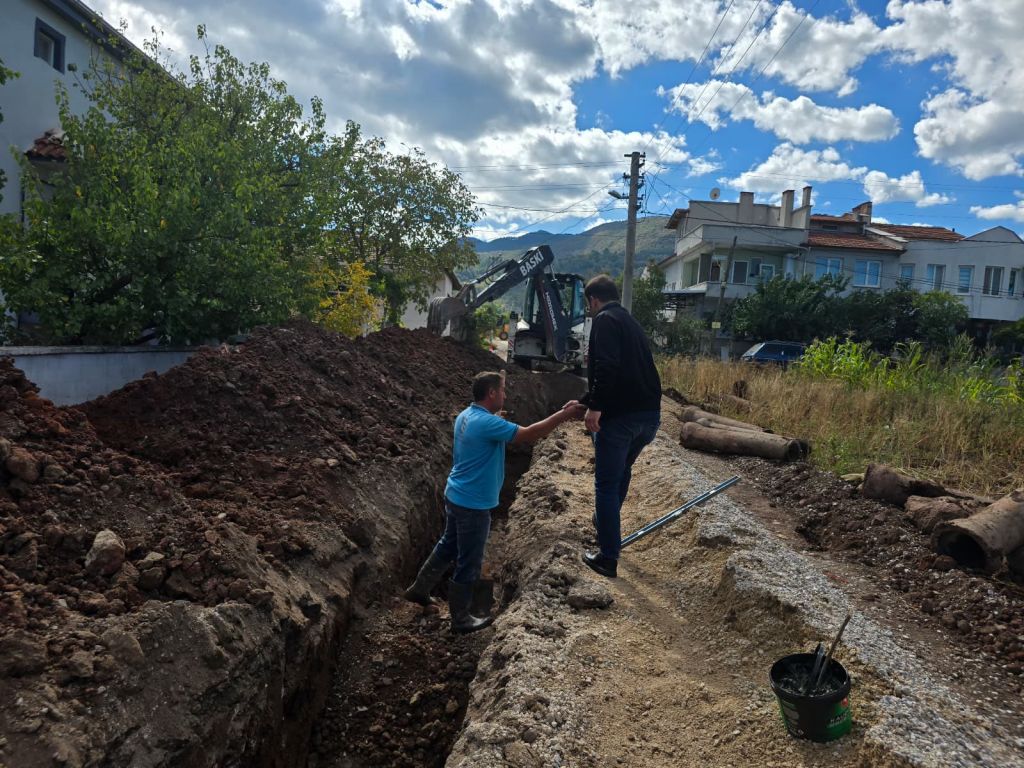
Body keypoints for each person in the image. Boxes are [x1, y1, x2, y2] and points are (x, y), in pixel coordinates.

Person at [404, 371, 584, 633]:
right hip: (473, 505)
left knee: (448, 545)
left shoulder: (467, 416)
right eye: (502, 390)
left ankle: (419, 589)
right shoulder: (487, 424)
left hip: (456, 495)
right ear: (491, 394)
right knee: (470, 560)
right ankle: (461, 619)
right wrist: (565, 415)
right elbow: (532, 433)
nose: (505, 395)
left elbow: (486, 430)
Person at [568, 275, 661, 579]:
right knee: (621, 471)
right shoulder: (630, 322)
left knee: (606, 484)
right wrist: (584, 399)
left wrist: (595, 408)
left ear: (593, 300)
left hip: (620, 417)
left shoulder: (604, 320)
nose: (590, 310)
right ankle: (606, 522)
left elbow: (606, 367)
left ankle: (608, 557)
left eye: (589, 305)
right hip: (647, 417)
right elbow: (622, 370)